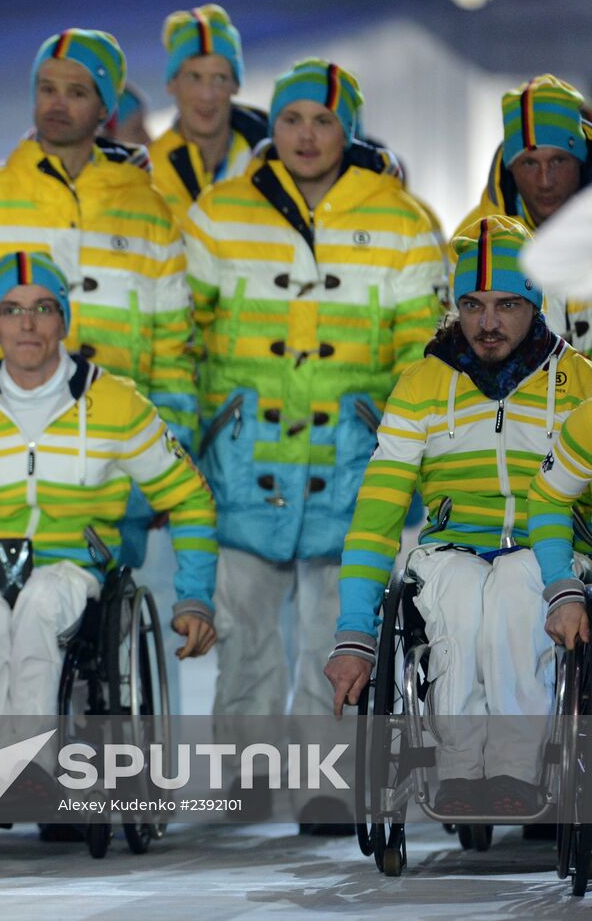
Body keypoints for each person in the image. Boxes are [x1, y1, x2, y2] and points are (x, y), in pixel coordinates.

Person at [182, 58, 445, 829]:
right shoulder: (218, 213)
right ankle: (245, 780)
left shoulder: (402, 219)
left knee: (335, 631)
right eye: (292, 118)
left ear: (348, 129)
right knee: (245, 633)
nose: (305, 135)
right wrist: (198, 430)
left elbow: (420, 355)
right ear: (275, 124)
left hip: (352, 459)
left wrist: (406, 451)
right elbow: (185, 337)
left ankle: (325, 783)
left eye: (323, 121)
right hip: (244, 455)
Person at [0, 252, 216, 777]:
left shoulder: (119, 404)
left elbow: (189, 496)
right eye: (10, 310)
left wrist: (194, 596)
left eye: (42, 308)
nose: (26, 324)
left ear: (64, 320)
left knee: (38, 607)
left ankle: (26, 767)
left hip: (74, 567)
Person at [327, 216, 592, 817]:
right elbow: (378, 510)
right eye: (472, 304)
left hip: (549, 551)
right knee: (461, 601)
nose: (487, 323)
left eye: (505, 304)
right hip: (450, 548)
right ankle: (460, 769)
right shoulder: (421, 384)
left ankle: (514, 769)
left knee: (516, 589)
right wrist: (354, 631)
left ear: (536, 303)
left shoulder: (579, 382)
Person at [0, 27, 194, 572]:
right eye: (46, 88)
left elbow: (173, 352)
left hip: (113, 466)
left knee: (107, 636)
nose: (56, 104)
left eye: (76, 92)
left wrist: (167, 457)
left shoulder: (148, 211)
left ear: (105, 106)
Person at [453, 75, 592, 350]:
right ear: (510, 167)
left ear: (581, 160)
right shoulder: (471, 244)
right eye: (529, 163)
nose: (545, 180)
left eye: (558, 160)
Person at [148, 4, 268, 220]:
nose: (207, 95)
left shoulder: (271, 161)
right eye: (194, 77)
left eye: (219, 78)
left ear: (235, 85)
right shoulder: (147, 172)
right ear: (171, 84)